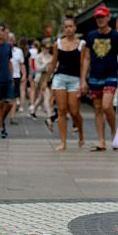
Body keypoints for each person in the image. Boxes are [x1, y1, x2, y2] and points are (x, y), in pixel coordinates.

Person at [81, 5, 118, 151]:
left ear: (108, 17)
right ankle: (101, 140)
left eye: (102, 17)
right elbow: (87, 58)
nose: (100, 20)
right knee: (98, 109)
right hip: (95, 76)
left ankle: (114, 132)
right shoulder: (91, 36)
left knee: (107, 106)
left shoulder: (116, 36)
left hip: (110, 75)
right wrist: (83, 79)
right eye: (98, 17)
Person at [49, 15, 86, 150]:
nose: (69, 29)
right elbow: (53, 63)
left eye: (71, 26)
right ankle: (63, 142)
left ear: (75, 28)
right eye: (66, 27)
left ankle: (81, 133)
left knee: (74, 111)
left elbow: (83, 65)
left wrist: (83, 82)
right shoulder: (58, 44)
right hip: (60, 78)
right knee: (61, 110)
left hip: (75, 79)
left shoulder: (81, 44)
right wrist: (46, 80)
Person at [32, 38, 53, 122]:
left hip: (49, 77)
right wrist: (46, 64)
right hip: (41, 77)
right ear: (42, 47)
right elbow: (37, 68)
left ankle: (33, 111)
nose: (47, 49)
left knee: (41, 97)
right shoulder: (38, 56)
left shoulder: (51, 56)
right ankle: (49, 115)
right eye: (45, 47)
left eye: (48, 48)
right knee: (46, 96)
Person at [8, 33, 27, 124]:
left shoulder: (18, 51)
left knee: (14, 97)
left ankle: (13, 116)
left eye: (11, 40)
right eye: (8, 40)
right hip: (5, 77)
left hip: (16, 76)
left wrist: (24, 75)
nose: (10, 42)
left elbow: (22, 64)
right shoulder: (3, 50)